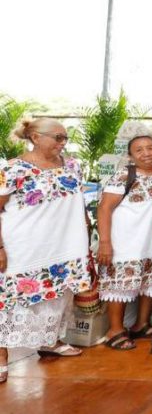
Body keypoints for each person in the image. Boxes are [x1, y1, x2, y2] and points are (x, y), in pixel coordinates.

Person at [1, 118, 90, 381]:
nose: (63, 143)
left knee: (59, 295)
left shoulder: (73, 165)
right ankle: (2, 354)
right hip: (23, 248)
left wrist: (85, 233)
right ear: (36, 137)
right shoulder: (12, 168)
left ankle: (50, 340)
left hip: (65, 244)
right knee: (9, 300)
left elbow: (79, 203)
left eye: (65, 138)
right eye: (57, 138)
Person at [96, 134, 152, 350]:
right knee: (120, 284)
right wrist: (105, 242)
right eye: (139, 150)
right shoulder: (124, 175)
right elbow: (104, 208)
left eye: (150, 148)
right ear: (130, 156)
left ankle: (141, 324)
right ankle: (115, 330)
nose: (146, 153)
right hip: (127, 242)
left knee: (149, 282)